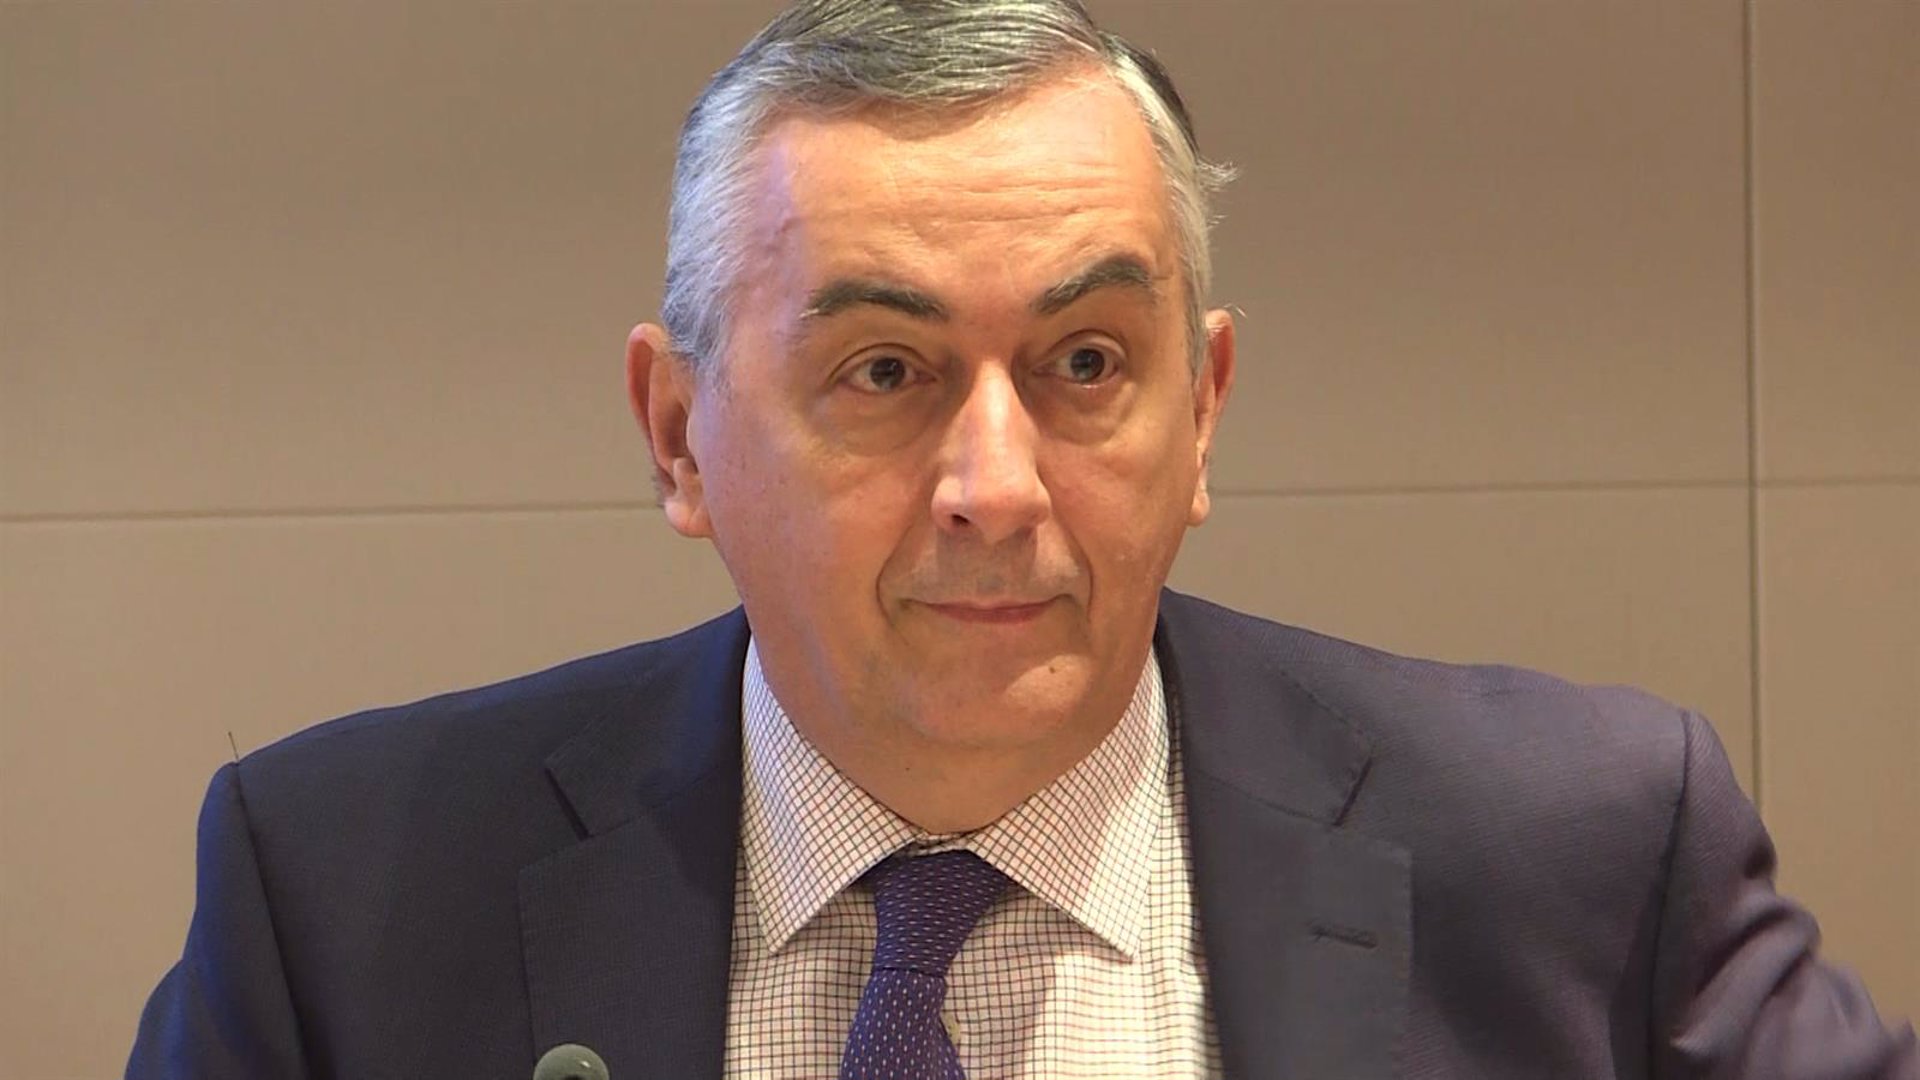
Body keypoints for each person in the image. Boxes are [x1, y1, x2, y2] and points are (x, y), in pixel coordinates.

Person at [128, 2, 1915, 1078]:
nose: (997, 483)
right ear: (678, 436)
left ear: (1202, 410)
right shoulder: (345, 901)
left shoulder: (1581, 850)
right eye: (884, 372)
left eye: (1085, 365)